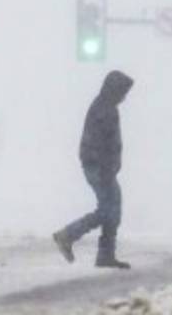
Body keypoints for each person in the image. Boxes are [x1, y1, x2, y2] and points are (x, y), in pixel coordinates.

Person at [53, 70, 134, 269]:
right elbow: (100, 143)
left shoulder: (106, 106)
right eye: (123, 91)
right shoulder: (104, 109)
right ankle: (67, 235)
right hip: (99, 167)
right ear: (114, 90)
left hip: (102, 167)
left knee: (111, 209)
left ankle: (105, 255)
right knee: (108, 209)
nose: (125, 96)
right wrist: (106, 168)